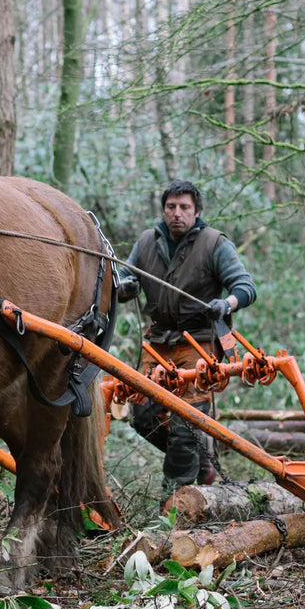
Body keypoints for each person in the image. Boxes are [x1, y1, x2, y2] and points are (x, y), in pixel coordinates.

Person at [120, 179, 256, 493]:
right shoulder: (145, 242)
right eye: (171, 207)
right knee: (142, 417)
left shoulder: (214, 243)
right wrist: (125, 287)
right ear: (163, 209)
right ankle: (201, 462)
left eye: (184, 207)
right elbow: (125, 277)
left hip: (200, 344)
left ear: (197, 212)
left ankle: (173, 505)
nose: (177, 213)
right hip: (157, 347)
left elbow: (246, 288)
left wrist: (225, 304)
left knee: (184, 427)